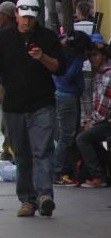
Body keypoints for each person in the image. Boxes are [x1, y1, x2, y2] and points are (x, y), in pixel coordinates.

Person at [0, 0, 67, 218]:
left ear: (36, 16)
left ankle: (44, 196)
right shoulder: (5, 39)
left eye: (31, 17)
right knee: (22, 155)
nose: (26, 21)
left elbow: (59, 68)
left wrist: (42, 57)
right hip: (14, 107)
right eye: (23, 16)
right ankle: (27, 200)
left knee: (42, 151)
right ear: (17, 14)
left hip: (42, 105)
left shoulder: (47, 38)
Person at [52, 31, 87, 185]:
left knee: (65, 134)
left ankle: (63, 169)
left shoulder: (58, 46)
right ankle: (58, 172)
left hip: (62, 93)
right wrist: (79, 60)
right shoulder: (71, 55)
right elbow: (67, 76)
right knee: (66, 135)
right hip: (67, 95)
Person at [75, 43, 111, 187]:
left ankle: (97, 176)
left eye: (95, 55)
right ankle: (105, 167)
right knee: (86, 134)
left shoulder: (108, 74)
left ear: (103, 55)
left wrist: (92, 122)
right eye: (90, 56)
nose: (92, 59)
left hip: (107, 120)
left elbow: (105, 106)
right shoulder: (99, 74)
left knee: (82, 138)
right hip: (103, 119)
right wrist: (89, 120)